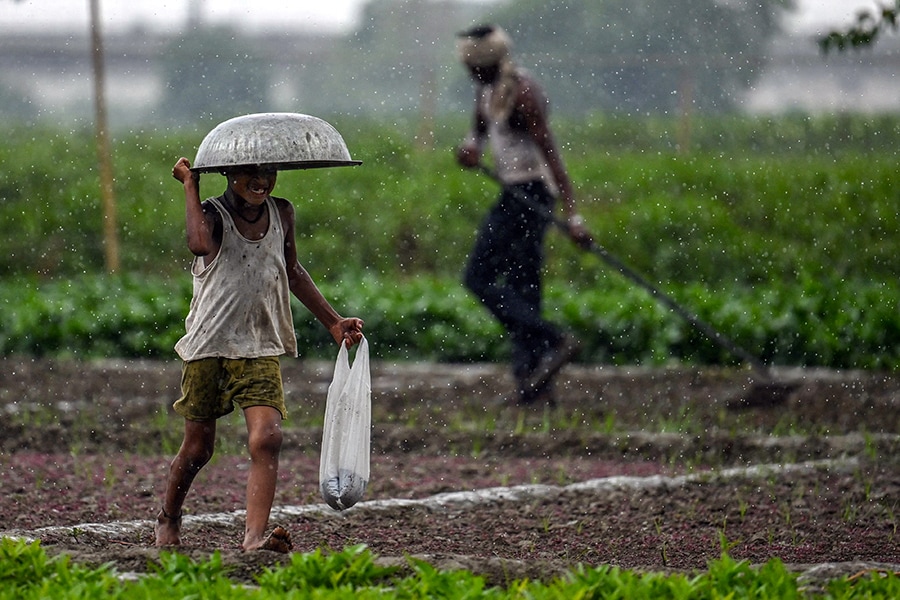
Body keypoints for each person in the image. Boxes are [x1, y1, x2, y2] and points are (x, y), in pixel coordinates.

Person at [155, 158, 364, 553]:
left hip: (260, 344)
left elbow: (293, 271)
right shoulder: (212, 216)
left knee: (267, 438)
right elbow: (198, 244)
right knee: (198, 449)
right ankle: (169, 516)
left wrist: (333, 322)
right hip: (209, 344)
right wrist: (189, 186)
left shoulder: (282, 212)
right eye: (251, 173)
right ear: (230, 175)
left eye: (269, 173)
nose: (261, 181)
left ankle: (253, 538)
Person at [455, 24, 591, 406]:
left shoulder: (523, 93)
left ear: (486, 65)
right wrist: (468, 152)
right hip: (512, 191)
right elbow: (477, 137)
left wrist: (574, 215)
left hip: (533, 194)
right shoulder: (485, 92)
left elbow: (551, 154)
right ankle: (534, 379)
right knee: (517, 286)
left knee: (486, 278)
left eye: (472, 68)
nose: (469, 74)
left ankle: (547, 350)